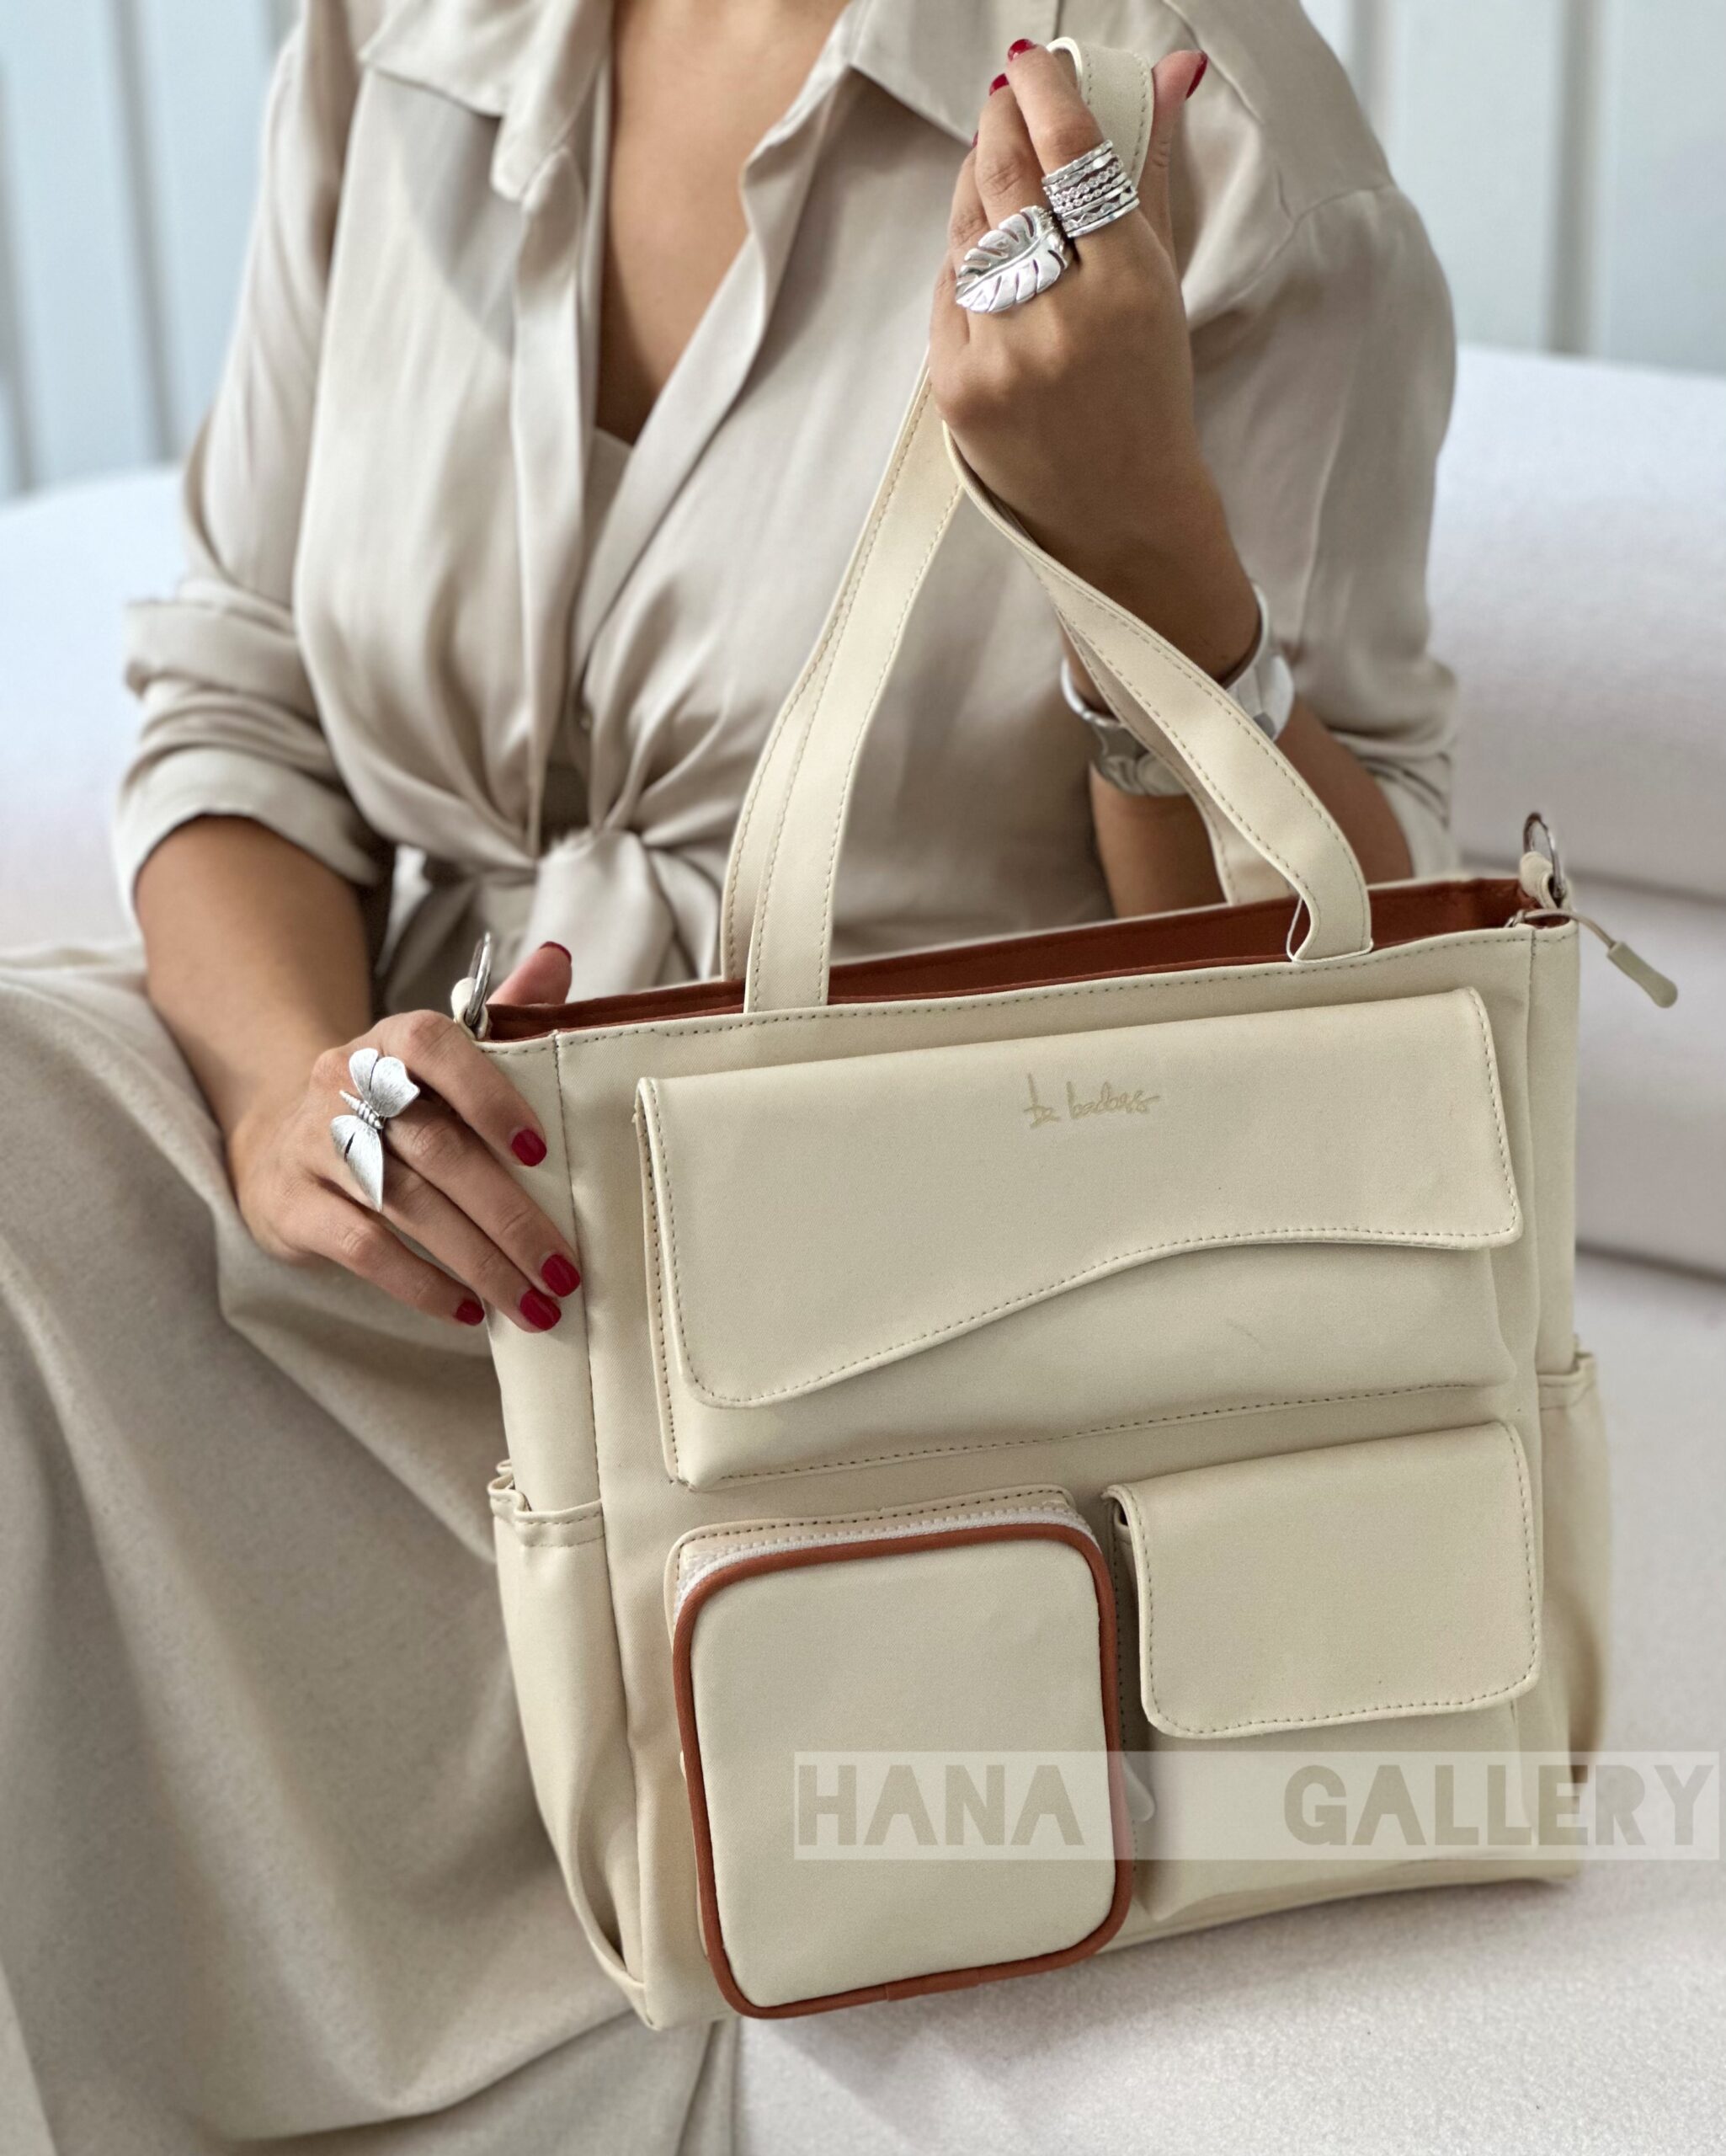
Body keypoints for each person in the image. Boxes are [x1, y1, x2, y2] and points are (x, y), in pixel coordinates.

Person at [0, 2, 1456, 2147]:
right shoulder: (396, 34)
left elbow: (1336, 1035)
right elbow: (242, 694)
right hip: (369, 1240)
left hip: (827, 1371)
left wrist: (1136, 549)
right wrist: (294, 1096)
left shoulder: (1219, 149)